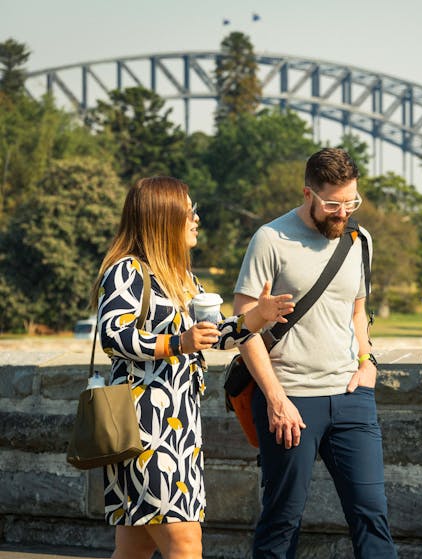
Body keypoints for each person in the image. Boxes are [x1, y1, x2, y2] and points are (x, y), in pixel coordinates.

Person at [93, 176, 294, 559]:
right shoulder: (127, 271)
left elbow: (215, 335)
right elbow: (113, 336)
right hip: (143, 428)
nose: (196, 219)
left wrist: (256, 317)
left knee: (133, 548)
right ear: (164, 218)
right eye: (190, 211)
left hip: (179, 430)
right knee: (186, 545)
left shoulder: (183, 279)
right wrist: (176, 343)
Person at [233, 147, 397, 559]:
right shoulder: (270, 239)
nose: (343, 213)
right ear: (308, 194)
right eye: (333, 204)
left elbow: (358, 310)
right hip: (289, 397)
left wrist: (367, 362)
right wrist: (275, 398)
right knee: (282, 517)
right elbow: (243, 327)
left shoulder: (360, 240)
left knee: (372, 515)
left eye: (351, 202)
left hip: (351, 394)